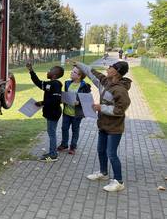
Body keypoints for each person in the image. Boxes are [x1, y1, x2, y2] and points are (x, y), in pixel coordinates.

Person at [72, 60, 131, 192]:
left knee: (111, 154)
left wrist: (101, 108)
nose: (108, 68)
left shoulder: (120, 90)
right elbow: (91, 72)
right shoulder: (104, 82)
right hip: (103, 125)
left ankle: (119, 181)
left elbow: (120, 109)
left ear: (116, 72)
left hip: (114, 128)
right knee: (100, 150)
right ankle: (103, 173)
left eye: (111, 67)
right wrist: (79, 64)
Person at [26, 63, 64, 162]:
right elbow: (38, 83)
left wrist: (42, 103)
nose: (48, 72)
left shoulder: (56, 84)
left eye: (50, 70)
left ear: (54, 75)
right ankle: (52, 152)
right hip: (51, 113)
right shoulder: (50, 84)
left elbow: (56, 100)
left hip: (54, 113)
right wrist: (31, 70)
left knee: (52, 133)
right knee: (51, 132)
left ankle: (53, 155)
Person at [57, 66, 91, 155]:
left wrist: (78, 102)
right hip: (66, 112)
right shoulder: (67, 83)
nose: (71, 73)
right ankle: (64, 144)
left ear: (79, 76)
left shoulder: (85, 86)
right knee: (64, 128)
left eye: (74, 72)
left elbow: (87, 101)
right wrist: (62, 99)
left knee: (75, 130)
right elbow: (66, 95)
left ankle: (73, 146)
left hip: (76, 114)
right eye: (72, 71)